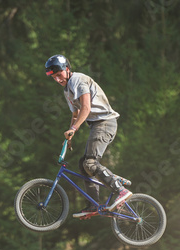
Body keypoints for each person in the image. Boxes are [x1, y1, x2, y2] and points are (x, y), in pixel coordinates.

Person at [45, 54, 132, 218]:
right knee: (83, 165)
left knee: (90, 163)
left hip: (105, 123)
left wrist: (75, 129)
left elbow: (85, 107)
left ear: (67, 69)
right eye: (53, 77)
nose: (57, 79)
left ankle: (120, 191)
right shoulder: (67, 90)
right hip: (98, 125)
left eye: (59, 75)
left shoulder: (77, 80)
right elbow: (76, 113)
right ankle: (93, 204)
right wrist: (70, 133)